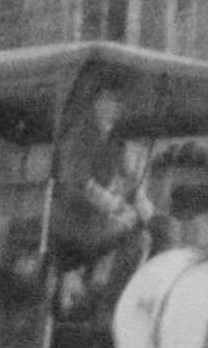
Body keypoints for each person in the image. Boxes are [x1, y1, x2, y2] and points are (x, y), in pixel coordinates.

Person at [50, 87, 154, 317]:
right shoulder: (79, 136)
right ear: (96, 102)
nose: (114, 107)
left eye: (117, 103)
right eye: (108, 101)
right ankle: (107, 302)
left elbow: (132, 182)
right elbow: (80, 182)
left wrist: (142, 203)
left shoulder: (121, 141)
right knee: (139, 239)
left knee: (158, 229)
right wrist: (117, 206)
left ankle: (123, 293)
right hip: (76, 224)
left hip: (103, 222)